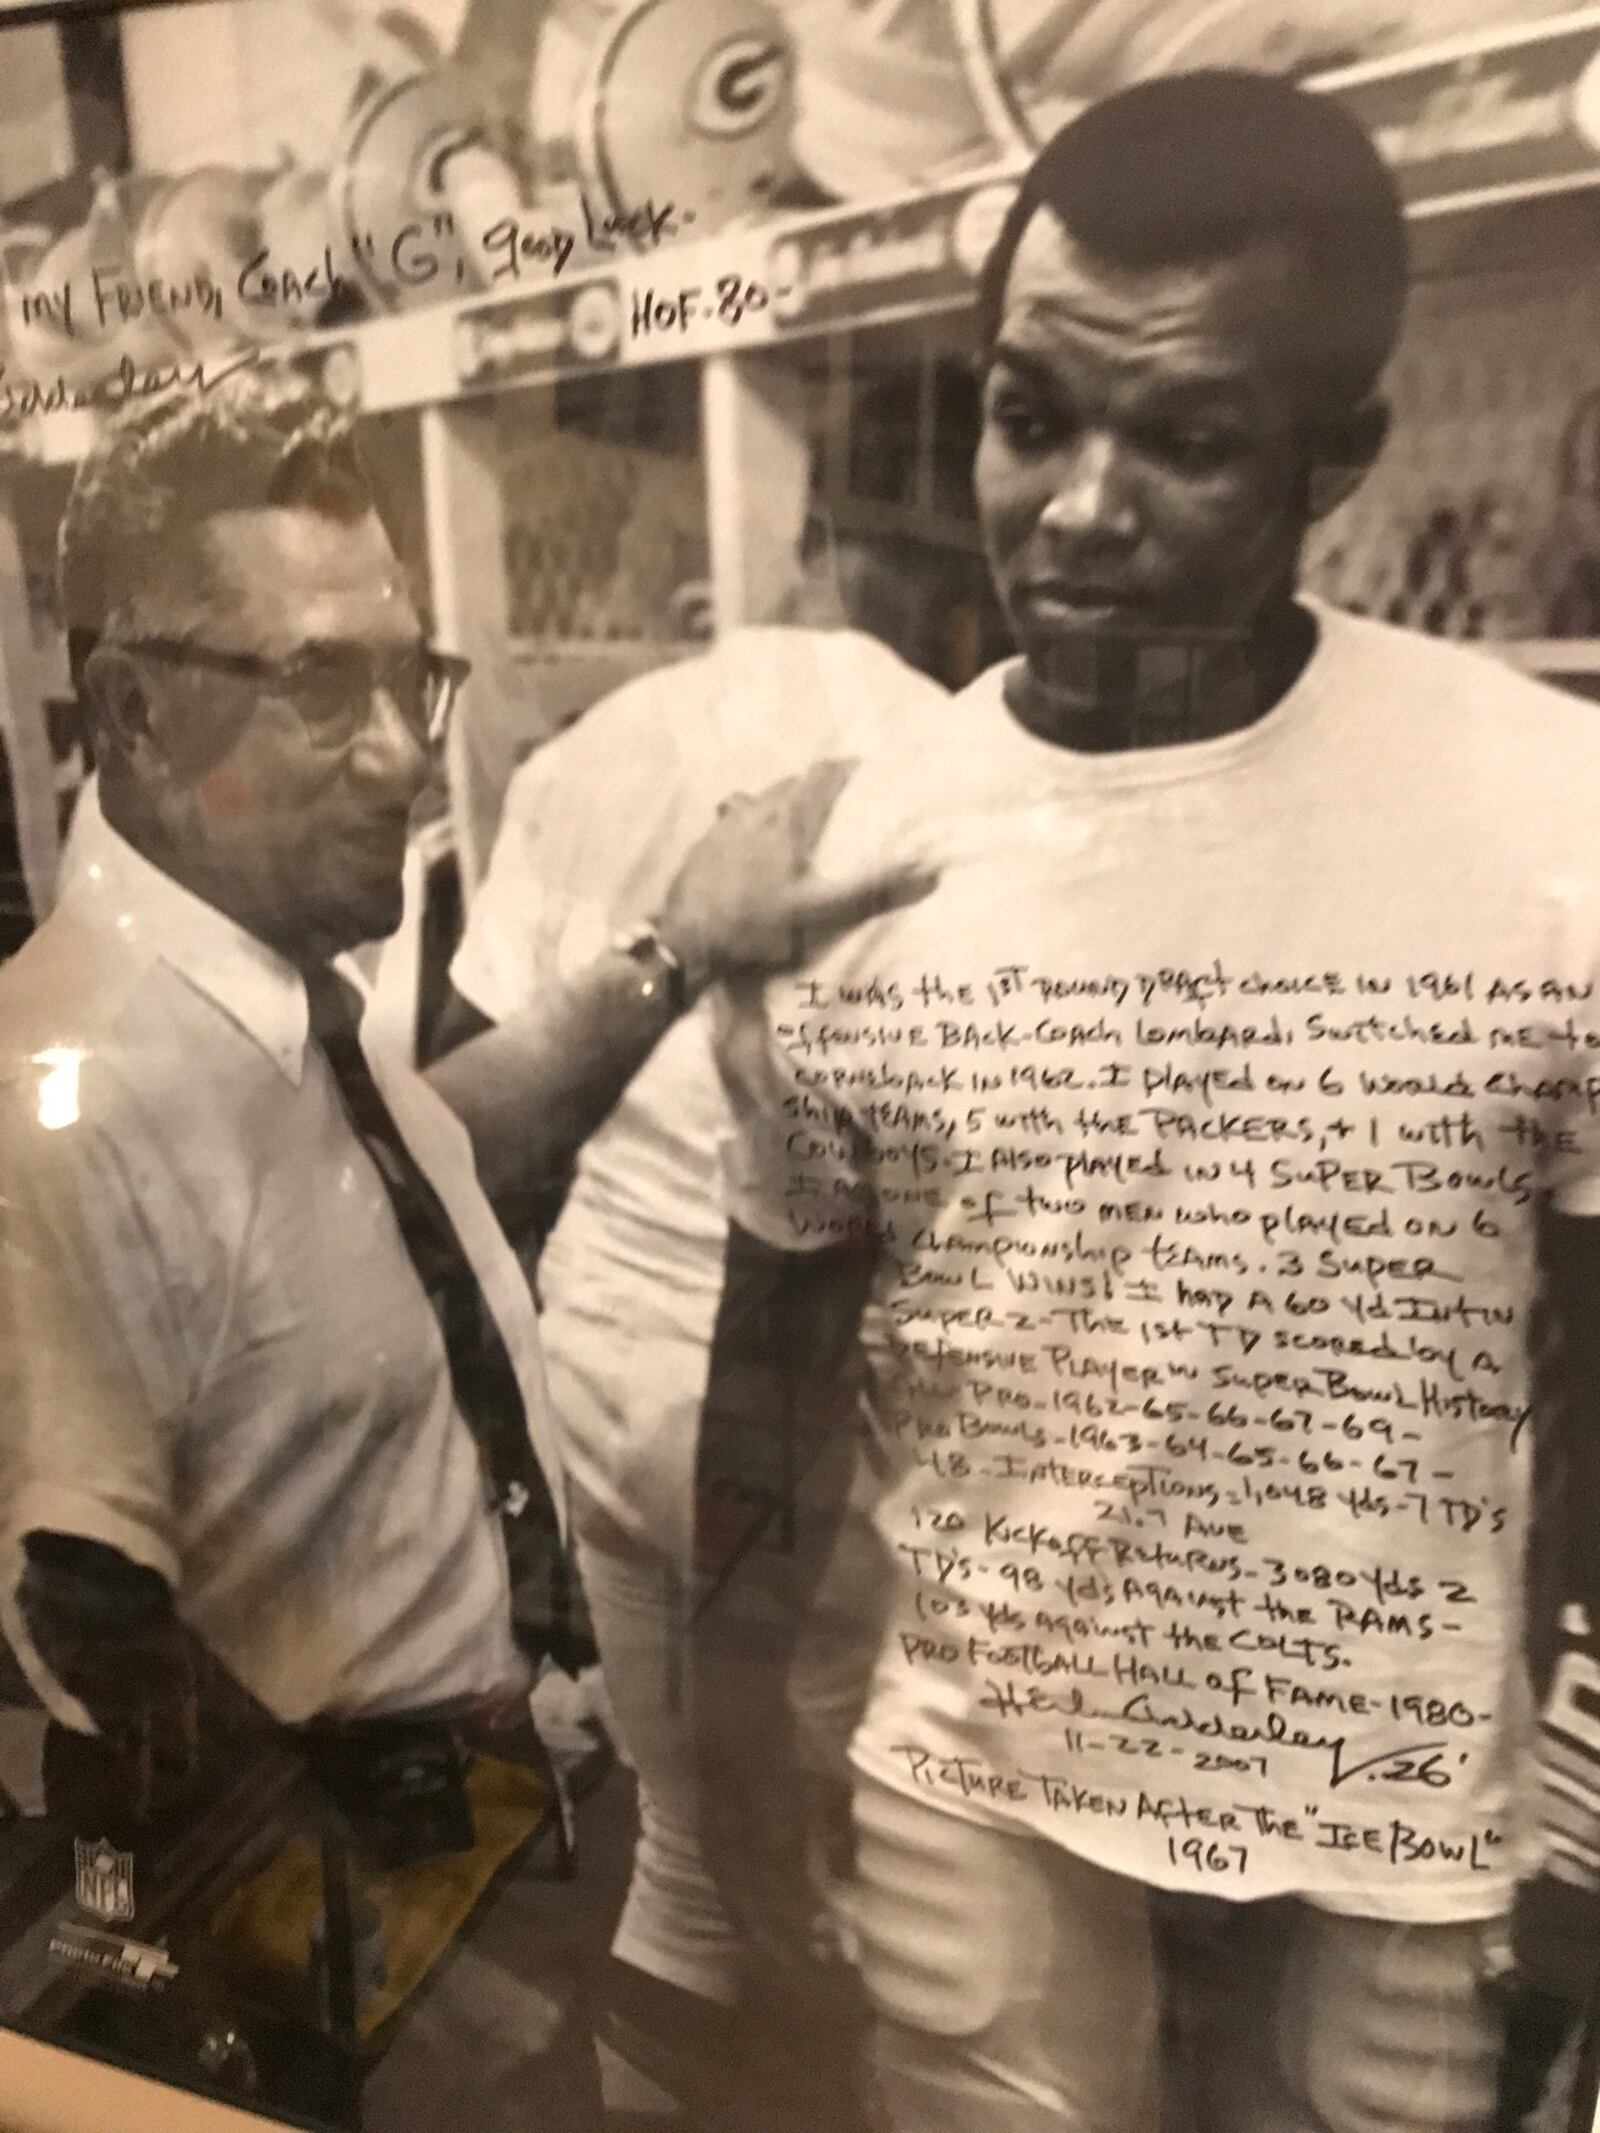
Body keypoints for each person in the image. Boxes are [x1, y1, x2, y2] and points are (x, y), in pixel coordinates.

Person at [692, 69, 1600, 2133]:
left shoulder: (1551, 818)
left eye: (1180, 439)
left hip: (1398, 1807)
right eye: (1029, 415)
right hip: (981, 1771)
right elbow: (774, 1350)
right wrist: (732, 1727)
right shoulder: (856, 845)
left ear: (1332, 454)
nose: (1075, 507)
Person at [0, 368, 931, 1893]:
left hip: (482, 1843)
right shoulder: (64, 1104)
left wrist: (675, 951)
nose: (406, 756)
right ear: (132, 708)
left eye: (405, 677)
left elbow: (430, 1158)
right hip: (365, 1922)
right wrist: (394, 1913)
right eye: (317, 688)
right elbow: (89, 1632)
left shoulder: (264, 987)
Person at [445, 618, 945, 2103]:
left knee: (679, 1828)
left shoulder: (590, 753)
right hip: (808, 1392)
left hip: (603, 1360)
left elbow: (494, 1110)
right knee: (851, 1864)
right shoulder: (947, 754)